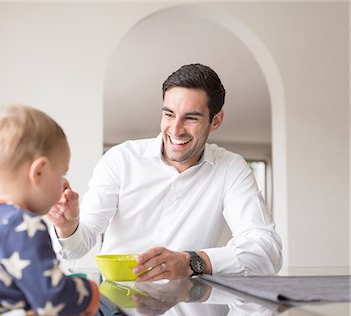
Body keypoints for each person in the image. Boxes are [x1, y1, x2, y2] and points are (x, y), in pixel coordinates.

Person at [49, 63, 282, 281]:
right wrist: (68, 226)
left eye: (191, 118)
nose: (176, 129)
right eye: (169, 114)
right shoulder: (121, 159)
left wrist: (192, 261)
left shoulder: (230, 168)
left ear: (216, 120)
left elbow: (266, 250)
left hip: (190, 312)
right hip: (117, 309)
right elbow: (77, 248)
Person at [0, 105, 99, 316]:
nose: (64, 182)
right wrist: (90, 291)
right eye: (62, 172)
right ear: (39, 171)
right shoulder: (22, 225)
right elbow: (53, 299)